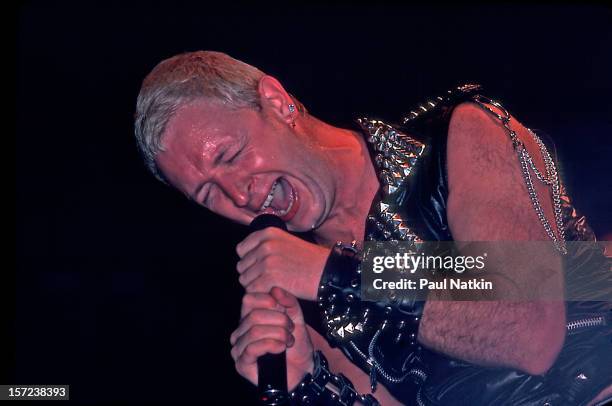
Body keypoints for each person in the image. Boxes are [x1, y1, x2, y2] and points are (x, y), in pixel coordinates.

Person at [134, 51, 611, 405]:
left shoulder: (458, 135)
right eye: (209, 194)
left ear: (277, 103)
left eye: (230, 156)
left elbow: (526, 331)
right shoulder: (297, 295)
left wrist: (340, 272)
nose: (239, 195)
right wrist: (310, 382)